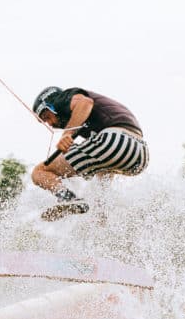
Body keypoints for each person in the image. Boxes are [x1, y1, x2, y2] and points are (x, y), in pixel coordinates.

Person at [31, 86, 149, 221]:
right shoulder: (90, 123)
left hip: (115, 140)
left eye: (47, 117)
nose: (50, 124)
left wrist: (67, 133)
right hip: (140, 155)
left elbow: (85, 102)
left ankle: (67, 197)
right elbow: (106, 158)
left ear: (51, 107)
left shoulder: (62, 99)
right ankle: (101, 218)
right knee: (100, 190)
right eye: (45, 122)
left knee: (40, 172)